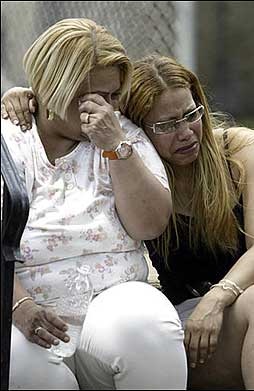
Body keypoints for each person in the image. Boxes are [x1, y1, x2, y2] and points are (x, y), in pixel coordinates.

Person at [2, 54, 254, 389]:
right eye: (167, 125)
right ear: (136, 127)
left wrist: (216, 300)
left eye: (191, 114)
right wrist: (27, 98)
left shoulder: (240, 149)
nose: (186, 133)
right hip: (190, 321)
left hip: (250, 295)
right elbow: (80, 99)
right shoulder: (136, 170)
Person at [0, 21, 188, 390]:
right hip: (23, 305)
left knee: (146, 328)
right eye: (91, 95)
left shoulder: (123, 135)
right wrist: (18, 306)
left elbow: (149, 225)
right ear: (54, 86)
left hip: (111, 295)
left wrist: (115, 148)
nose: (106, 107)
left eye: (114, 95)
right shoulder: (10, 139)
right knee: (21, 366)